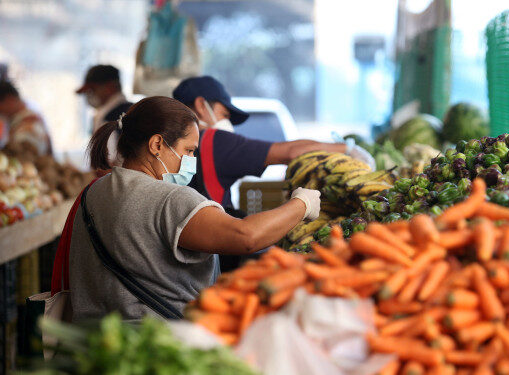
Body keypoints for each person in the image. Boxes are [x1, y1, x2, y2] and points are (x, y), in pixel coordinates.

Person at [69, 96, 320, 321]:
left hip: (92, 343)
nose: (192, 160)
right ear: (156, 145)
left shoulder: (93, 192)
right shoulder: (170, 199)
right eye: (188, 150)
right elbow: (246, 236)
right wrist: (302, 203)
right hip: (160, 345)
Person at [172, 76, 375, 210]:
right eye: (224, 114)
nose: (226, 123)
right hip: (208, 252)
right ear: (201, 105)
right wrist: (347, 149)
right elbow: (290, 151)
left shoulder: (166, 140)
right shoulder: (213, 142)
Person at [76, 65, 133, 133]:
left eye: (92, 90)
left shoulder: (109, 120)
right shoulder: (135, 110)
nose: (89, 95)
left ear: (109, 87)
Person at [0, 80, 52, 155]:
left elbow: (25, 157)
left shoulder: (28, 123)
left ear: (9, 100)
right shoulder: (24, 119)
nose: (1, 113)